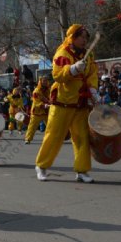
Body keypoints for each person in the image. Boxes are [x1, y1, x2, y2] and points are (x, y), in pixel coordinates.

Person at [34, 24, 99, 183]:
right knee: (54, 136)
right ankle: (41, 166)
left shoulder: (88, 56)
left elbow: (92, 74)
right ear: (72, 37)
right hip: (62, 102)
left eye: (86, 38)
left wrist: (93, 89)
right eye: (81, 37)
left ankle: (82, 170)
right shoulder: (62, 53)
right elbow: (57, 76)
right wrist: (72, 69)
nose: (84, 40)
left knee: (82, 138)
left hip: (80, 102)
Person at [24, 76, 50, 144]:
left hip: (45, 111)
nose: (45, 82)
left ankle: (51, 139)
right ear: (40, 81)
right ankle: (28, 139)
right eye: (43, 80)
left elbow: (50, 97)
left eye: (46, 80)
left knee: (50, 126)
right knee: (32, 126)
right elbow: (36, 102)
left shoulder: (48, 90)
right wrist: (43, 105)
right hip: (37, 112)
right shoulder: (36, 91)